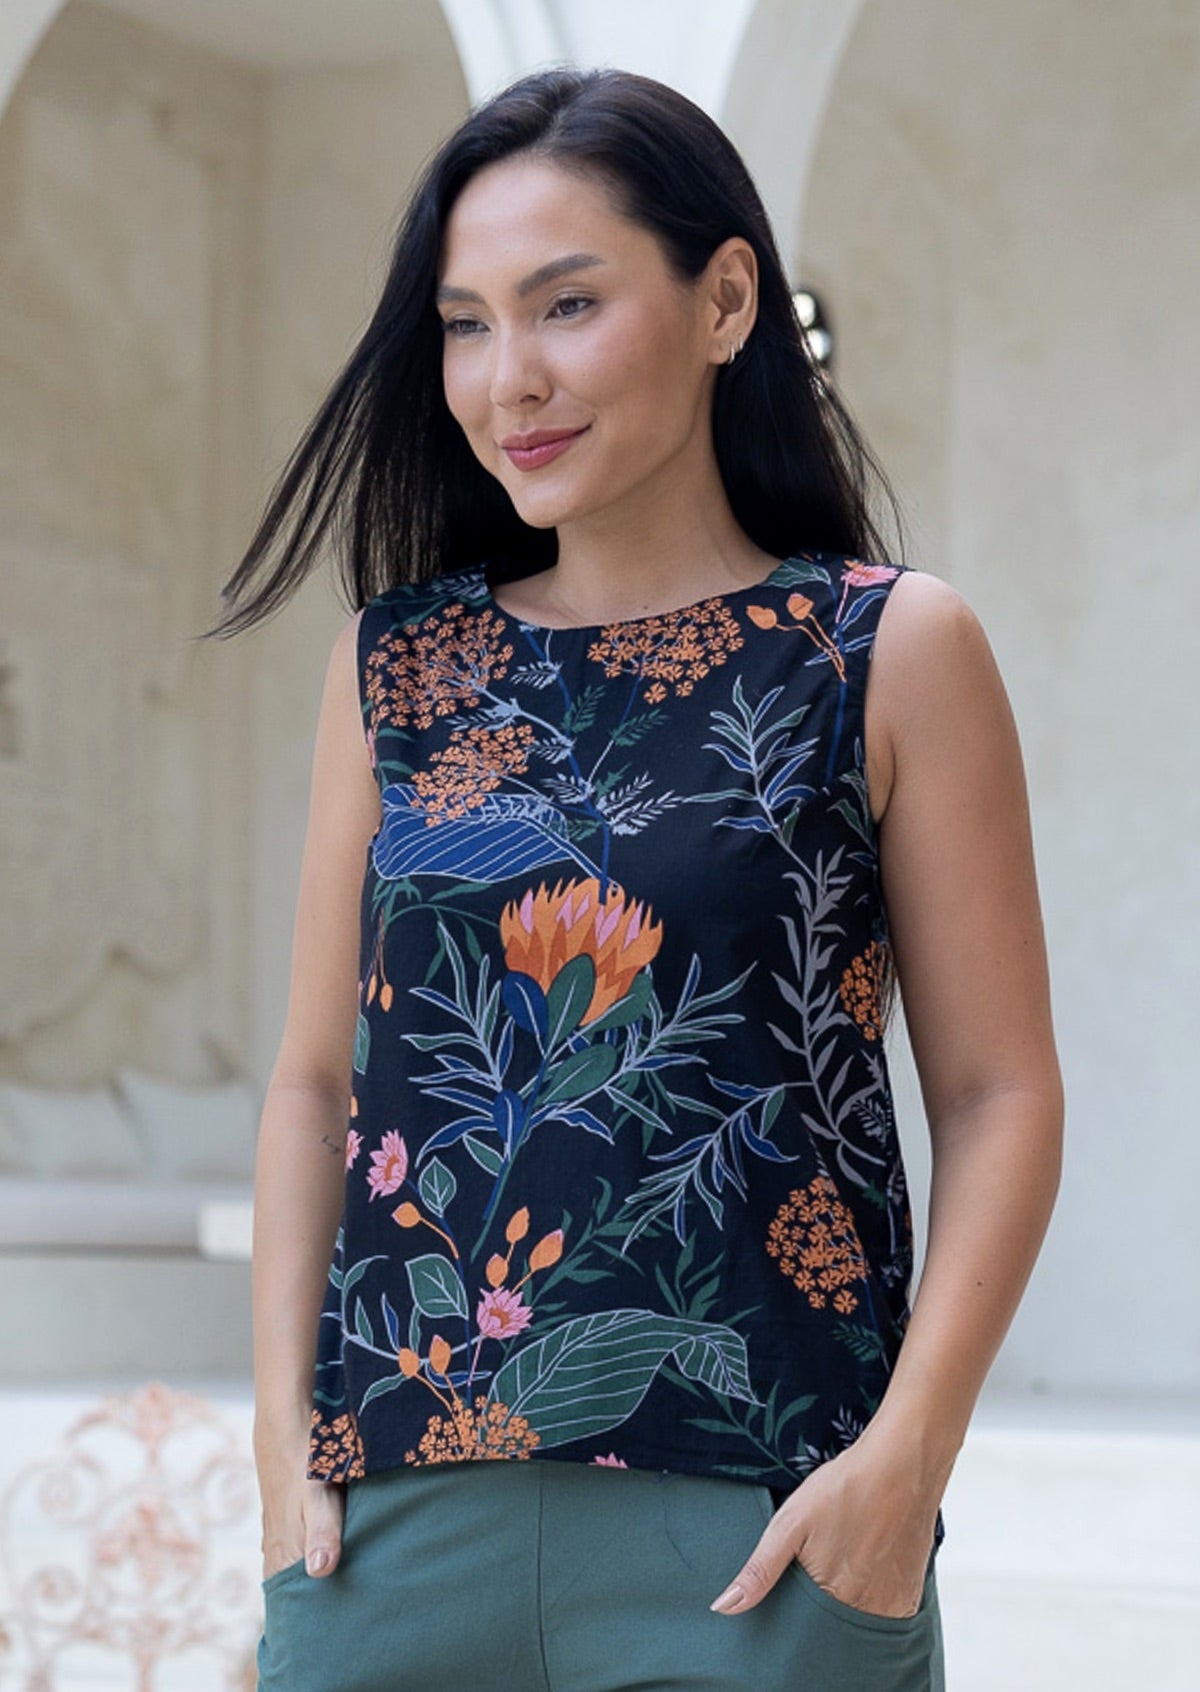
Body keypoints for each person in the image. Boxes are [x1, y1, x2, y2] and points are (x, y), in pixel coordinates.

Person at [207, 64, 1063, 1692]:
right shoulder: (397, 670)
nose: (505, 376)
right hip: (388, 1521)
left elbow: (1004, 1091)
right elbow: (317, 1084)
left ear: (725, 296)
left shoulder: (887, 649)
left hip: (761, 1532)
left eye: (567, 304)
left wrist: (905, 1473)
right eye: (464, 323)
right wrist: (277, 1443)